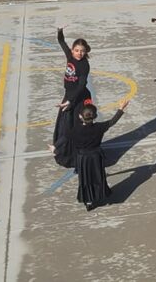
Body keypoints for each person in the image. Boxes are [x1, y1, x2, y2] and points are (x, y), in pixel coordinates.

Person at [70, 100, 129, 211]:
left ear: (80, 116)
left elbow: (67, 140)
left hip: (83, 158)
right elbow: (112, 122)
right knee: (97, 176)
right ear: (95, 117)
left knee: (85, 179)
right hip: (96, 157)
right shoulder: (99, 127)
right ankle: (100, 194)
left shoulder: (75, 130)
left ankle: (88, 201)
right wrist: (121, 109)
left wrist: (55, 149)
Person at [51, 26, 92, 168]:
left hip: (78, 98)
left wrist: (70, 101)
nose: (79, 53)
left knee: (72, 127)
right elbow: (61, 41)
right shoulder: (69, 56)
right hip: (68, 96)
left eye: (82, 51)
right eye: (77, 50)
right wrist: (60, 31)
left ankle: (74, 157)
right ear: (72, 50)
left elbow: (81, 86)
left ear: (86, 51)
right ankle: (63, 151)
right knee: (63, 125)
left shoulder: (84, 65)